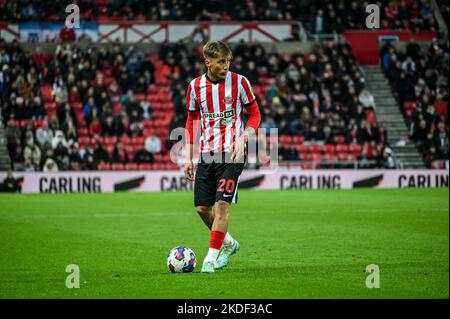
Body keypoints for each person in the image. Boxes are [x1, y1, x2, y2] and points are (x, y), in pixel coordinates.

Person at [184, 40, 261, 273]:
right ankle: (228, 243)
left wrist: (243, 138)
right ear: (207, 61)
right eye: (220, 62)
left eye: (227, 61)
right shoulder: (195, 86)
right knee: (201, 208)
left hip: (232, 154)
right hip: (207, 154)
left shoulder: (240, 82)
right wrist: (188, 157)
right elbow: (191, 121)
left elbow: (255, 115)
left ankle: (210, 258)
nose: (226, 65)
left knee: (221, 205)